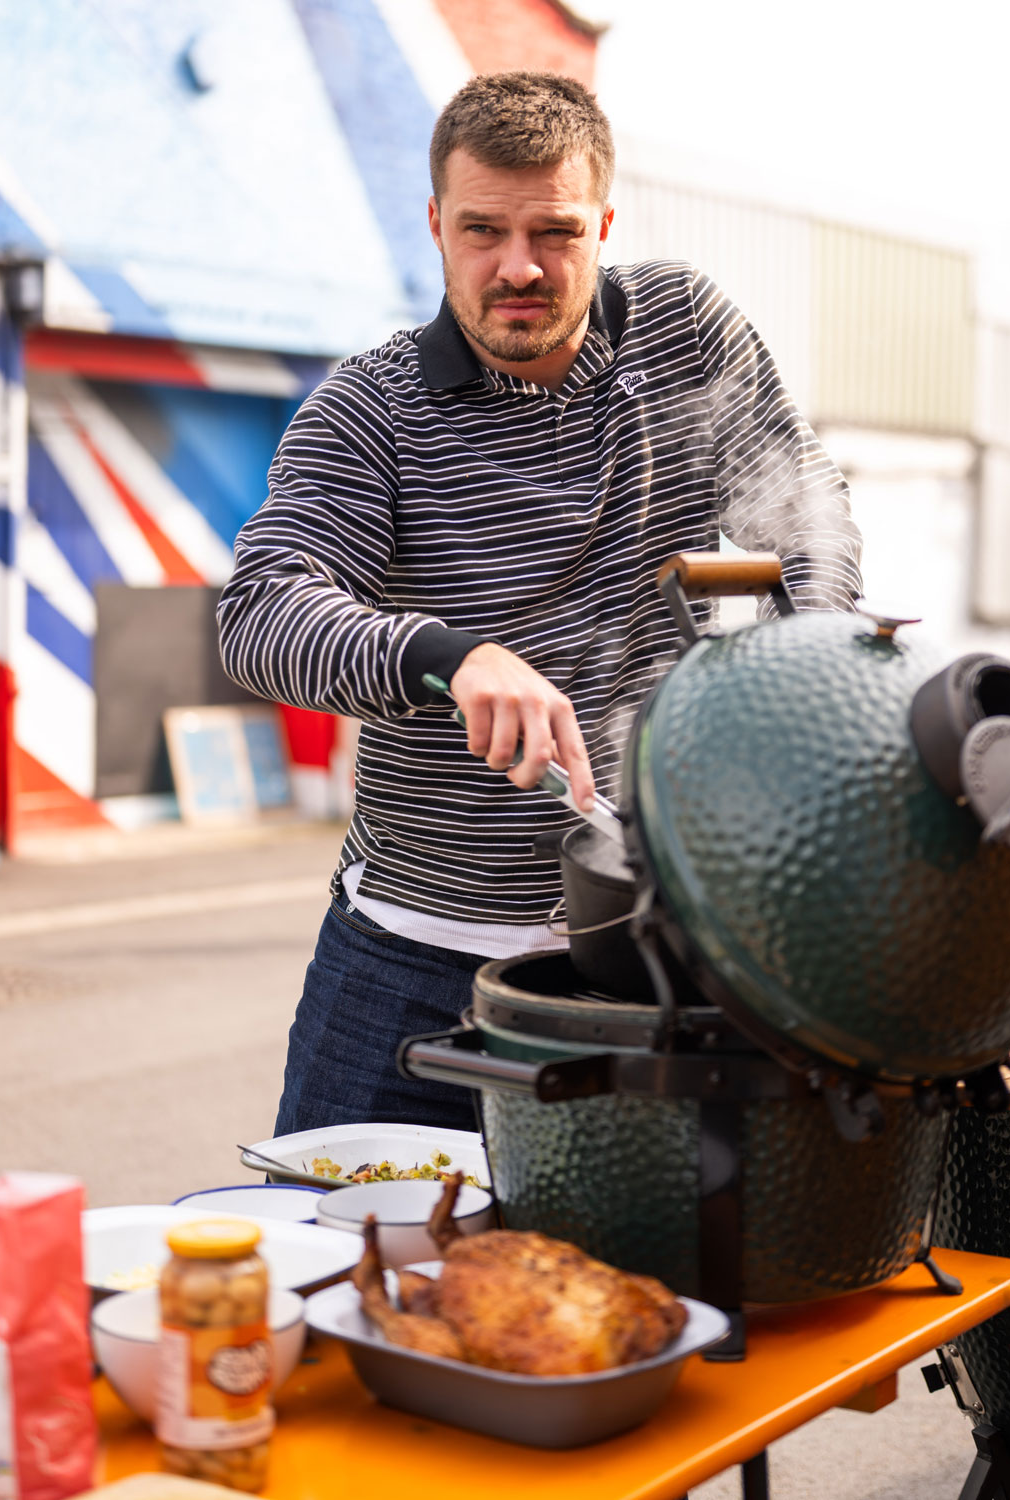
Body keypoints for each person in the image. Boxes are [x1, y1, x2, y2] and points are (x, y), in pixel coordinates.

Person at [218, 71, 862, 1134]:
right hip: (408, 961)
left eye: (555, 233)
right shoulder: (366, 411)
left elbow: (808, 509)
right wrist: (448, 656)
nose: (517, 267)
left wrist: (818, 663)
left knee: (637, 1288)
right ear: (434, 224)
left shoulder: (685, 334)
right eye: (481, 230)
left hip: (648, 954)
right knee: (348, 1270)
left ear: (605, 220)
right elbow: (261, 612)